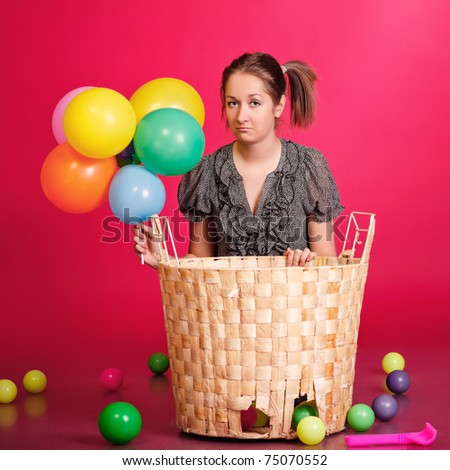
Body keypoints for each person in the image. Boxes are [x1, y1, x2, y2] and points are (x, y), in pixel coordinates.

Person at [133, 52, 344, 268]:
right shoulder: (206, 171)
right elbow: (200, 260)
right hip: (226, 301)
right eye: (233, 103)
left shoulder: (308, 165)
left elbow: (328, 261)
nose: (241, 116)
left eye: (254, 103)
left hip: (295, 300)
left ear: (278, 105)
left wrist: (308, 263)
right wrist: (164, 261)